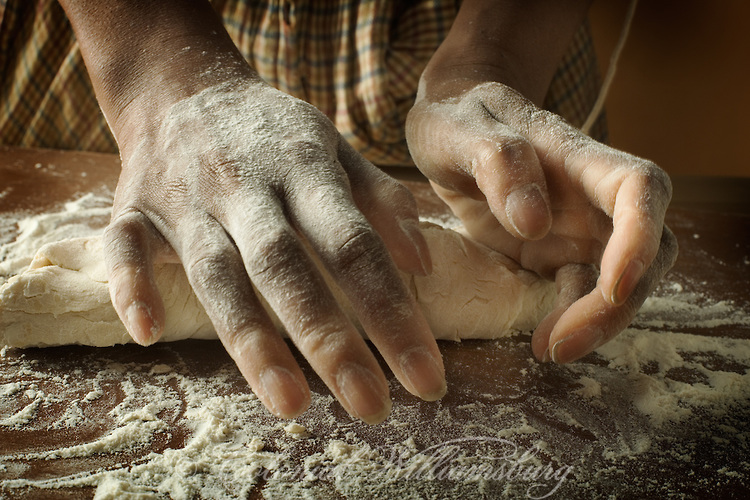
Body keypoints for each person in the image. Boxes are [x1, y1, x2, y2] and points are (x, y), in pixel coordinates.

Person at [1, 0, 677, 424]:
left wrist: (484, 66)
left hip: (457, 26)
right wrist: (158, 81)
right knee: (176, 241)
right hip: (121, 39)